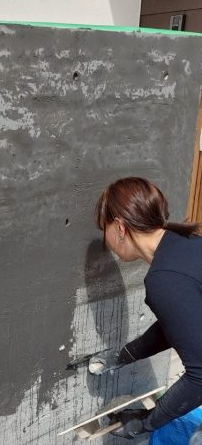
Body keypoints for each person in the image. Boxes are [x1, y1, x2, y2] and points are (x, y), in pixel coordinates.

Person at [88, 177, 202, 440]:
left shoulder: (165, 278)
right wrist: (127, 355)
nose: (105, 238)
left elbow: (199, 376)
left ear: (119, 227)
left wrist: (146, 422)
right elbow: (185, 324)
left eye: (103, 228)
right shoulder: (188, 247)